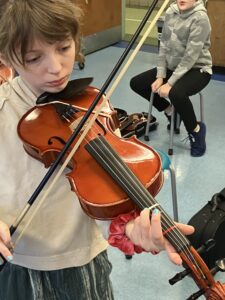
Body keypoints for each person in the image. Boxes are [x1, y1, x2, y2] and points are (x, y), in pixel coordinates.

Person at [0, 1, 194, 299]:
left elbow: (108, 200)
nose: (55, 68)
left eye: (64, 48)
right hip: (20, 265)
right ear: (5, 56)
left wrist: (132, 230)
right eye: (34, 57)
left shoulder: (93, 106)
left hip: (86, 262)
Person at [130, 0, 212, 157]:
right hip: (173, 67)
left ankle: (196, 130)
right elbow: (164, 46)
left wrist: (170, 82)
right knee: (137, 83)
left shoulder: (200, 18)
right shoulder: (171, 12)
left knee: (176, 93)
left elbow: (190, 57)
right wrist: (161, 75)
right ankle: (171, 111)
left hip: (198, 69)